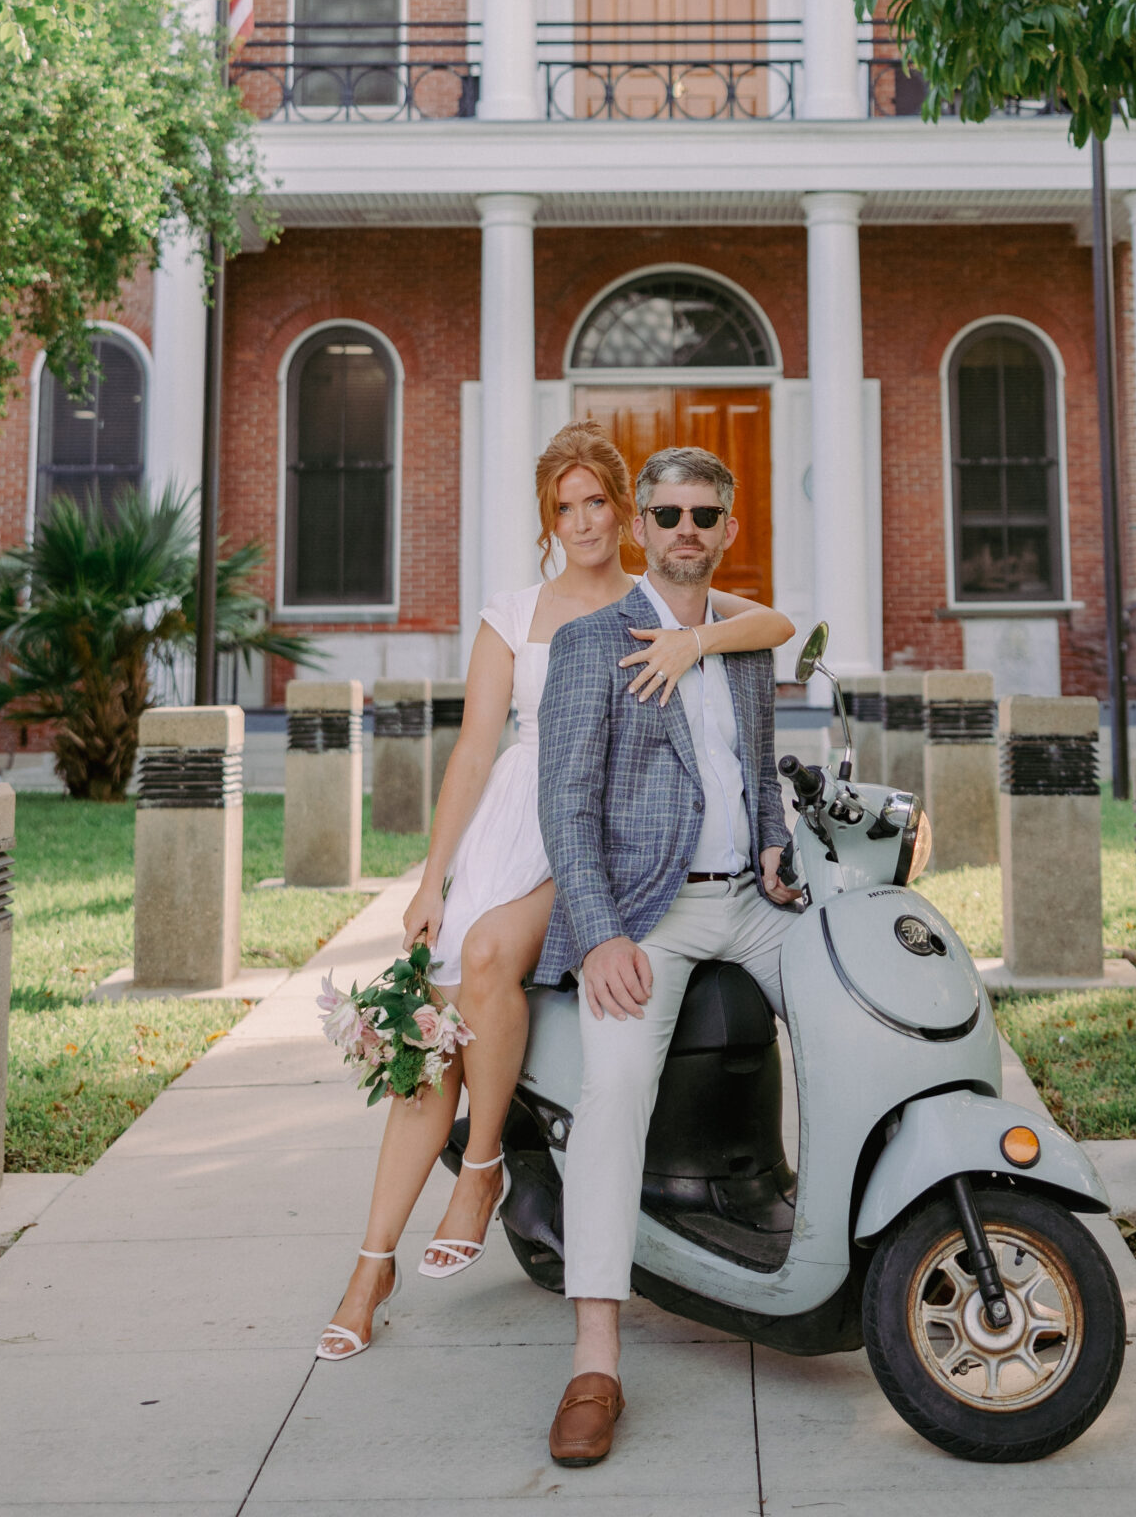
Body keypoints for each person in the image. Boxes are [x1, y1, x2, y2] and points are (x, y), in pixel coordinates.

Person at [314, 421, 793, 1360]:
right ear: (550, 521)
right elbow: (472, 748)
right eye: (562, 509)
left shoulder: (664, 595)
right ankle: (372, 1263)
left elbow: (767, 628)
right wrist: (432, 880)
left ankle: (482, 1166)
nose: (581, 521)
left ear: (626, 513)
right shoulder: (518, 613)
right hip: (518, 817)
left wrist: (697, 647)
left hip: (596, 835)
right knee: (433, 1028)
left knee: (489, 957)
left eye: (595, 504)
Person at [535, 444, 804, 1469]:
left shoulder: (739, 641)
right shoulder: (589, 642)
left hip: (753, 902)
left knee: (857, 1024)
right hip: (648, 912)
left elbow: (757, 775)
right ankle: (594, 1360)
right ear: (641, 526)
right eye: (669, 514)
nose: (687, 529)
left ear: (727, 527)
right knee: (613, 1098)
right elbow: (564, 801)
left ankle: (835, 1244)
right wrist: (600, 929)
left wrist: (775, 847)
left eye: (706, 514)